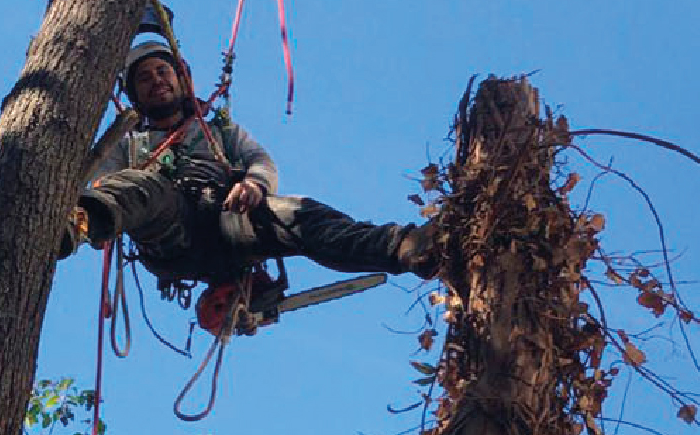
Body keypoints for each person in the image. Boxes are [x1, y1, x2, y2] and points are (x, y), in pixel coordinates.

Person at [60, 41, 437, 286]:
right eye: (144, 78)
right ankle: (72, 227)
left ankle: (404, 247)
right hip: (172, 233)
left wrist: (255, 185)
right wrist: (96, 211)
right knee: (143, 187)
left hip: (228, 217)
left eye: (163, 72)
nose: (156, 81)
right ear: (135, 96)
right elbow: (100, 181)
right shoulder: (130, 144)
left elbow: (260, 160)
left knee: (301, 214)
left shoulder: (219, 131)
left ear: (181, 79)